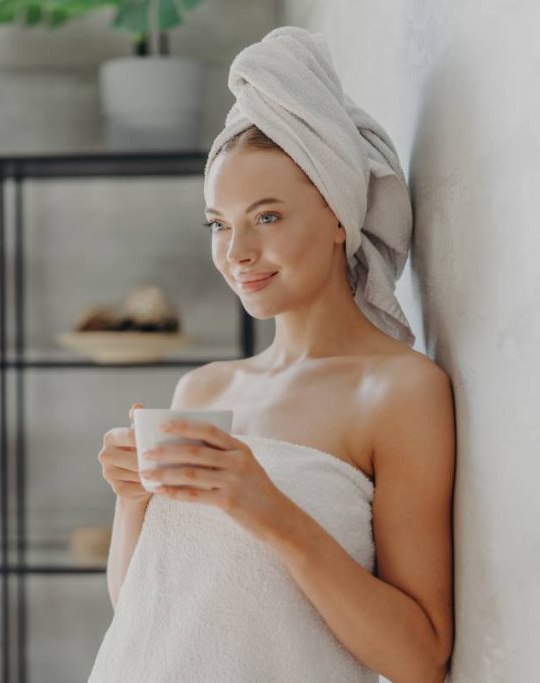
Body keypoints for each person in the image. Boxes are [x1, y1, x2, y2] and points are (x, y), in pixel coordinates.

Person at [88, 26, 455, 683]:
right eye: (219, 224)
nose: (236, 253)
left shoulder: (399, 391)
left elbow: (420, 656)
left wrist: (269, 510)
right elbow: (147, 610)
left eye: (267, 217)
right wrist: (131, 500)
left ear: (339, 213)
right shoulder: (203, 390)